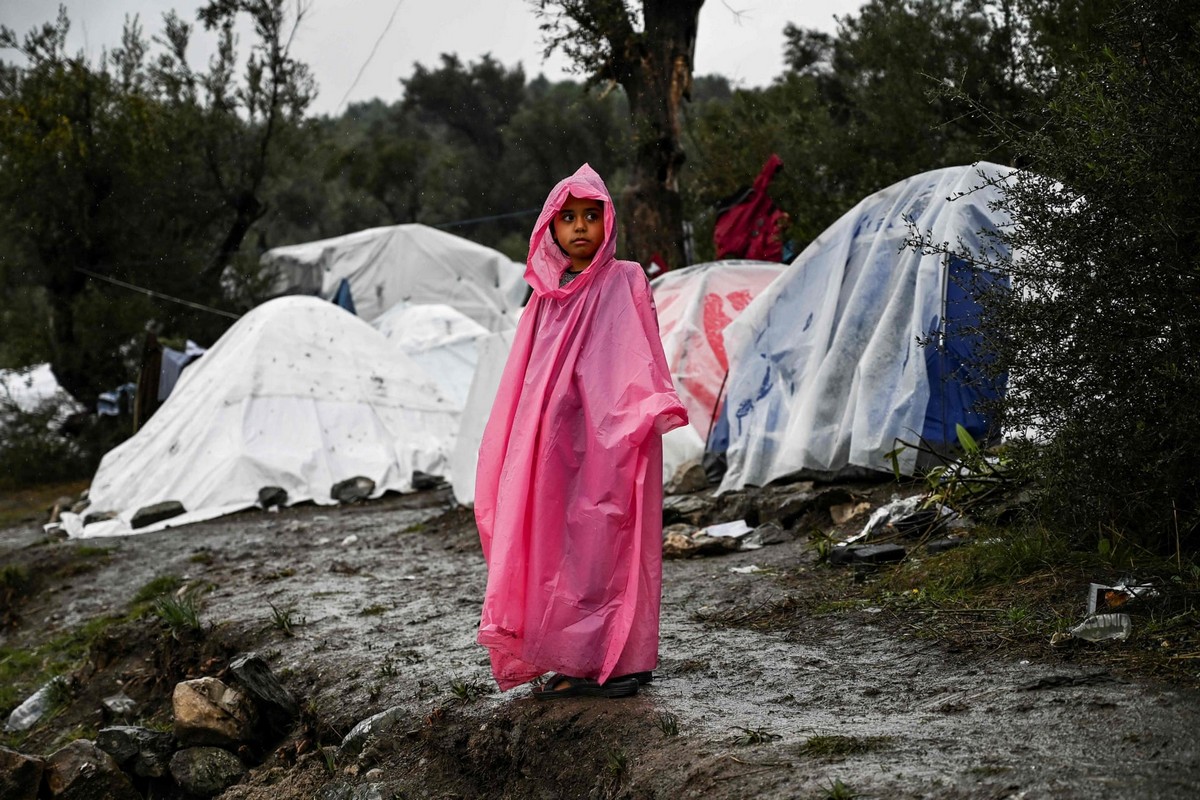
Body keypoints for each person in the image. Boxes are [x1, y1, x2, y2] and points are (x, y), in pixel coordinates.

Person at [474, 163, 688, 700]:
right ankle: (574, 656)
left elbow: (638, 356)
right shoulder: (544, 297)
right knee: (557, 546)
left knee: (607, 543)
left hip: (611, 438)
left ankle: (624, 661)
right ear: (550, 227)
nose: (579, 228)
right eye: (567, 218)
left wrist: (636, 415)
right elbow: (527, 379)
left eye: (591, 216)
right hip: (555, 446)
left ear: (607, 221)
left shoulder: (626, 280)